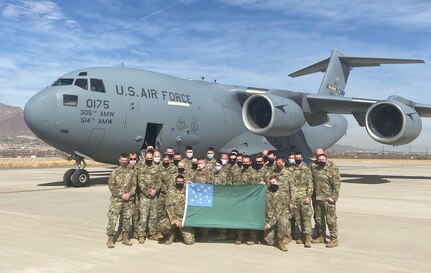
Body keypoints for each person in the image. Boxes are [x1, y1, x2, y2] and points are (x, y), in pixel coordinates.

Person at [106, 153, 137, 248]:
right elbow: (111, 185)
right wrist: (121, 194)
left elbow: (134, 185)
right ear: (119, 160)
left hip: (128, 200)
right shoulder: (115, 172)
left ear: (127, 160)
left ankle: (125, 238)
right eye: (122, 160)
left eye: (125, 160)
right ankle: (110, 239)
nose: (124, 162)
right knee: (113, 219)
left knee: (126, 219)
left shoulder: (132, 172)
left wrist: (129, 194)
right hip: (117, 200)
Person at [311, 153, 341, 248]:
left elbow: (336, 184)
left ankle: (333, 238)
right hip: (317, 198)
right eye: (319, 159)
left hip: (328, 199)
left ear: (326, 159)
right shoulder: (315, 169)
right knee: (319, 219)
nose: (321, 161)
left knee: (330, 219)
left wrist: (334, 197)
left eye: (323, 159)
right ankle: (321, 236)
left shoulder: (331, 170)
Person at [160, 175, 195, 245]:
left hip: (184, 218)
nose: (180, 183)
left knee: (189, 242)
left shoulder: (188, 191)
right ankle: (171, 235)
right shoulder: (171, 192)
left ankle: (182, 234)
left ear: (184, 182)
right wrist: (174, 220)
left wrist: (192, 184)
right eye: (178, 181)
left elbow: (197, 192)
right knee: (163, 225)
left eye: (181, 182)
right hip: (173, 217)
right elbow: (169, 207)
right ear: (175, 182)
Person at [289, 152, 313, 248]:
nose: (298, 159)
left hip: (304, 197)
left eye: (299, 157)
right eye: (296, 158)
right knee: (298, 218)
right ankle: (301, 235)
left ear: (302, 158)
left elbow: (310, 184)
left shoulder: (306, 170)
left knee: (306, 218)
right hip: (295, 198)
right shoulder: (290, 170)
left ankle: (308, 237)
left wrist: (308, 196)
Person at [136, 152, 161, 243]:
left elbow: (159, 181)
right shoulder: (142, 168)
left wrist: (155, 190)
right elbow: (140, 182)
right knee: (143, 216)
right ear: (145, 158)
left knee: (153, 216)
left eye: (151, 158)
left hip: (154, 196)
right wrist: (148, 192)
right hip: (144, 197)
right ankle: (141, 235)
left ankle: (152, 234)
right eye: (148, 158)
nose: (149, 160)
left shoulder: (156, 168)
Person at [238, 155, 260, 245]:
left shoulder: (253, 173)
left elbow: (253, 188)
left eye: (247, 162)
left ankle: (253, 237)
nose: (245, 163)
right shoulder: (241, 171)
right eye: (244, 162)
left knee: (251, 218)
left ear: (250, 162)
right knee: (241, 217)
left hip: (250, 199)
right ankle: (240, 236)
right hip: (242, 199)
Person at [264, 176, 288, 252]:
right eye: (270, 183)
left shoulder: (282, 193)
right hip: (269, 216)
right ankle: (274, 235)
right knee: (269, 242)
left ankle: (281, 241)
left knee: (283, 221)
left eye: (274, 182)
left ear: (278, 182)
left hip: (279, 215)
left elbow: (279, 210)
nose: (272, 184)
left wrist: (270, 224)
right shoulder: (266, 191)